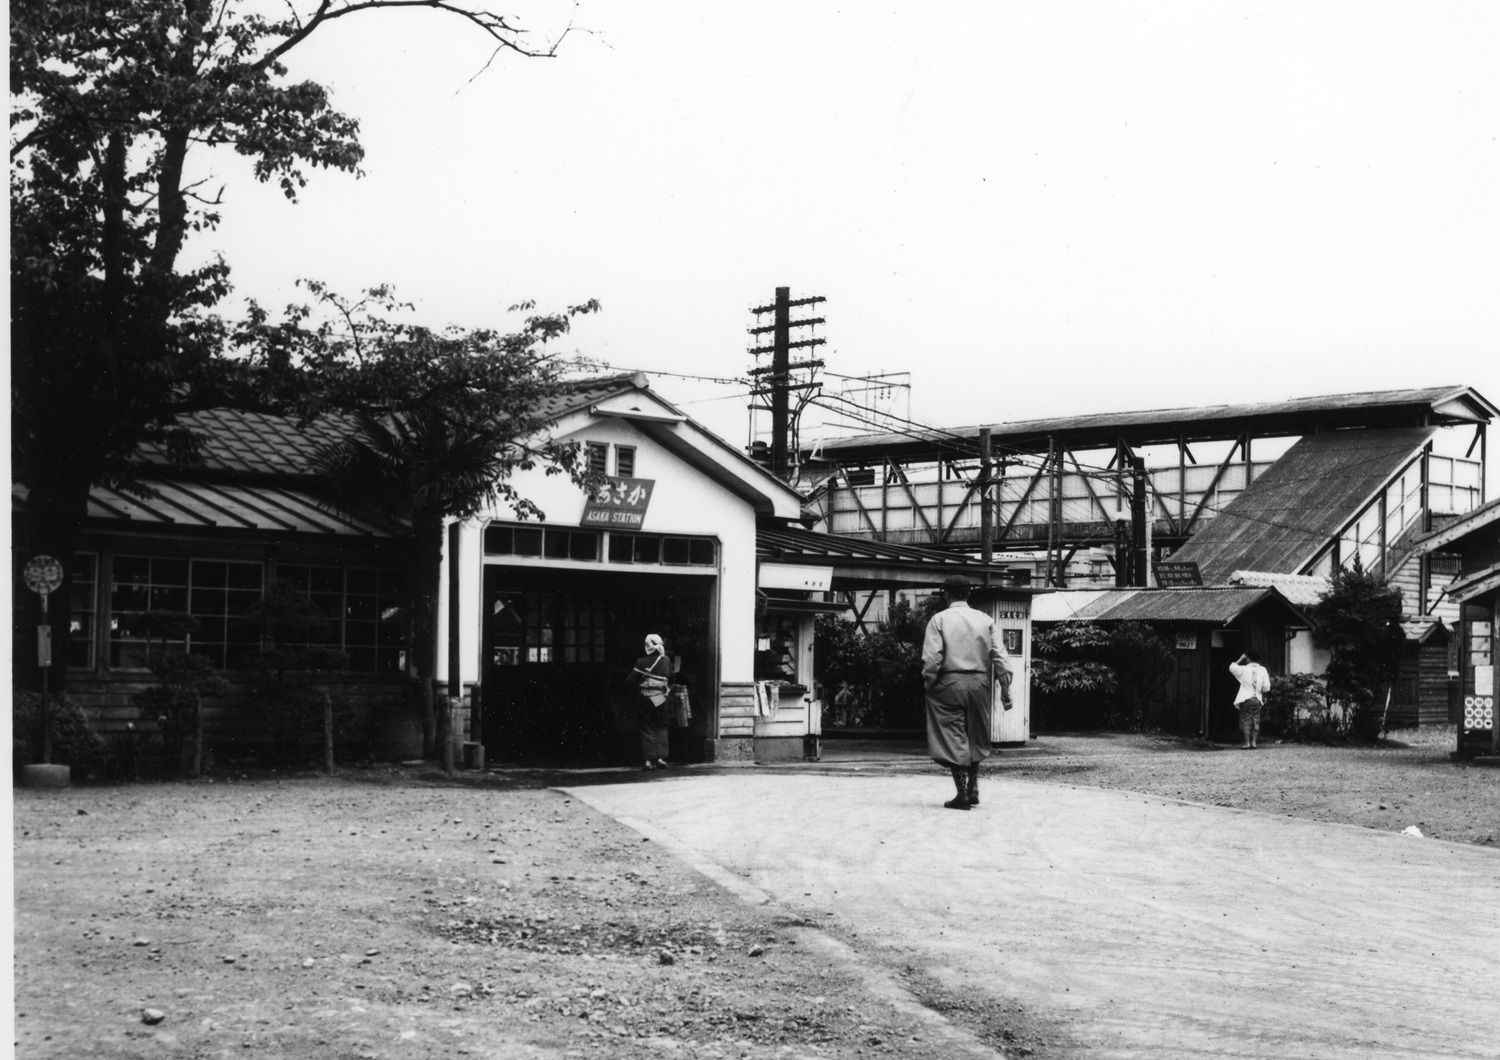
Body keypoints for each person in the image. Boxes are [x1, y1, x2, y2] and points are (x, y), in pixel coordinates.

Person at [921, 575, 1013, 810]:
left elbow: (933, 658)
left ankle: (961, 794)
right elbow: (1000, 655)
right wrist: (1005, 687)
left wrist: (929, 683)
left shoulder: (938, 619)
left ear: (947, 594)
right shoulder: (985, 619)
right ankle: (973, 787)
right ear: (968, 594)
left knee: (954, 735)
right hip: (980, 682)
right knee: (975, 734)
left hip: (949, 682)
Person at [626, 633, 672, 770]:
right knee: (661, 725)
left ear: (647, 646)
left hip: (645, 698)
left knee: (646, 726)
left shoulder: (641, 662)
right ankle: (661, 758)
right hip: (660, 698)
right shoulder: (666, 660)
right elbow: (672, 677)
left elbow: (630, 680)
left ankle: (648, 761)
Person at [1229, 650, 1271, 749]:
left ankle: (1247, 743)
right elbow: (1267, 688)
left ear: (1247, 658)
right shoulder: (1263, 669)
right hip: (1257, 698)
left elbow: (1232, 667)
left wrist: (1241, 658)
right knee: (1256, 720)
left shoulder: (1243, 669)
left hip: (1246, 698)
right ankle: (1254, 743)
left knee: (1245, 720)